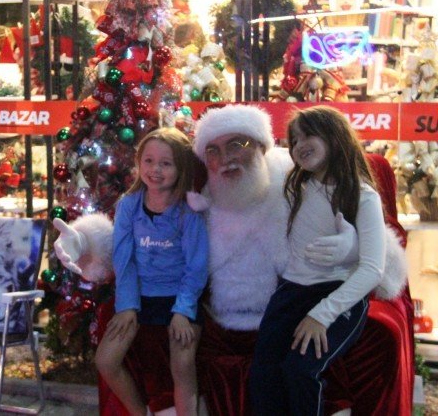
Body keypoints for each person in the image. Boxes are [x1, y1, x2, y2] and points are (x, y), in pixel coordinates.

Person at [53, 104, 410, 415]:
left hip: (285, 311)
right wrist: (84, 240)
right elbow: (140, 235)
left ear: (261, 146)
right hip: (217, 322)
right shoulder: (197, 195)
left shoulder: (293, 180)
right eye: (214, 151)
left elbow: (382, 263)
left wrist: (354, 246)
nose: (226, 159)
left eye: (238, 144)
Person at [248, 106, 385, 413]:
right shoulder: (295, 189)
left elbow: (373, 269)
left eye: (308, 135)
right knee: (264, 375)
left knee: (300, 370)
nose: (299, 145)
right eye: (294, 140)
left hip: (337, 295)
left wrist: (323, 314)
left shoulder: (362, 196)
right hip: (291, 293)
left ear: (335, 137)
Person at [93, 128, 208, 416]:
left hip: (179, 298)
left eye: (166, 163)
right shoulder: (129, 206)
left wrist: (183, 310)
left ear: (180, 168)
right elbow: (124, 259)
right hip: (140, 297)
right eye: (149, 160)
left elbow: (196, 267)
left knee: (182, 364)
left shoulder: (188, 211)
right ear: (139, 162)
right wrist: (128, 305)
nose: (155, 170)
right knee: (106, 360)